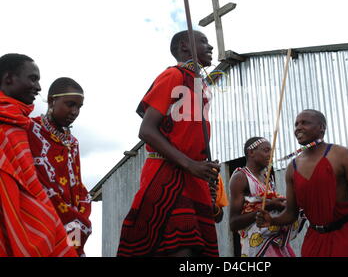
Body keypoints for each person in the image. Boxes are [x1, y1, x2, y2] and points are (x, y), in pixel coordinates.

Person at [117, 30, 220, 257]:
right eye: (203, 41)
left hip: (193, 176)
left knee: (196, 251)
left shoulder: (200, 83)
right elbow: (146, 129)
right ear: (184, 46)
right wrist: (190, 164)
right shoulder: (174, 76)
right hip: (168, 172)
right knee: (180, 248)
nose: (210, 47)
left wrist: (200, 163)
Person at [257, 110, 348, 257]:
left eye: (305, 123)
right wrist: (272, 220)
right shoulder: (292, 168)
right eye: (296, 124)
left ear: (322, 127)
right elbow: (291, 214)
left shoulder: (341, 155)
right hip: (314, 238)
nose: (298, 127)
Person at [0, 53, 77, 257]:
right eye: (33, 78)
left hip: (60, 217)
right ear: (8, 78)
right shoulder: (29, 128)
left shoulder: (19, 123)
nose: (39, 87)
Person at [27, 77, 92, 256]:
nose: (75, 111)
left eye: (79, 107)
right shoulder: (29, 129)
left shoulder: (72, 142)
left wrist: (81, 214)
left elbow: (77, 184)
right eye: (70, 104)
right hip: (38, 217)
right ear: (51, 101)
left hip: (73, 221)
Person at [229, 137, 303, 257]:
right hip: (256, 248)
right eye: (266, 150)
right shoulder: (241, 177)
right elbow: (234, 223)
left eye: (272, 151)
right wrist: (270, 205)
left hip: (275, 243)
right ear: (251, 152)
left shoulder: (267, 178)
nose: (271, 154)